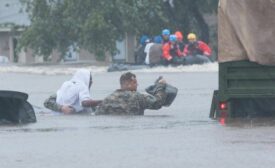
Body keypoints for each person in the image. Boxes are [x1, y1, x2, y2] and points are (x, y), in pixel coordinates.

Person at [95, 72, 168, 115]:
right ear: (127, 84)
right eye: (135, 83)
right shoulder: (137, 97)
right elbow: (158, 102)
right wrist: (160, 86)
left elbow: (98, 114)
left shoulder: (107, 99)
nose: (137, 85)